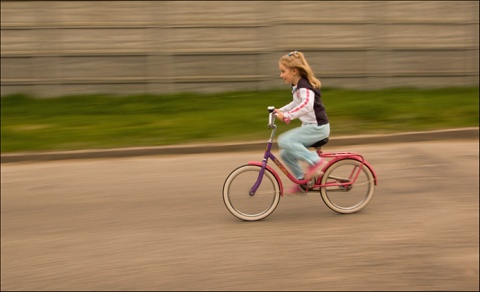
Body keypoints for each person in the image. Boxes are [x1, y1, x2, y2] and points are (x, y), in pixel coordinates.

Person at [274, 51, 330, 195]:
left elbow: (306, 105)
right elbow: (296, 103)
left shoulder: (304, 86)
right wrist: (280, 110)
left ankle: (315, 161)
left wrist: (287, 116)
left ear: (294, 71)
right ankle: (303, 182)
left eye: (282, 71)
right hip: (310, 127)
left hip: (318, 128)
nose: (281, 75)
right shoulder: (297, 87)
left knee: (285, 140)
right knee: (286, 153)